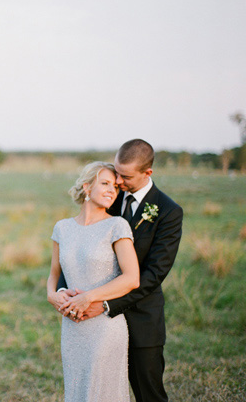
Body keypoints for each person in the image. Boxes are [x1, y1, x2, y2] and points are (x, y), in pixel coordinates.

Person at [54, 139, 183, 402]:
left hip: (140, 318)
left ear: (148, 173)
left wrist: (104, 305)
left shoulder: (168, 212)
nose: (118, 182)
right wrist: (64, 294)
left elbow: (153, 275)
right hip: (91, 320)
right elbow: (81, 246)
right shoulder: (108, 196)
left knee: (149, 394)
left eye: (125, 177)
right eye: (115, 174)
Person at [47, 161, 140, 402]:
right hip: (72, 327)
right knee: (77, 391)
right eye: (105, 183)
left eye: (116, 187)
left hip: (105, 326)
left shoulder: (116, 225)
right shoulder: (62, 228)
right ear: (87, 187)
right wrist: (52, 295)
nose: (112, 190)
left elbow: (132, 278)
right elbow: (54, 275)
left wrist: (89, 296)